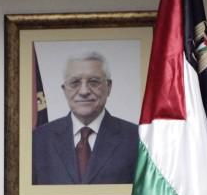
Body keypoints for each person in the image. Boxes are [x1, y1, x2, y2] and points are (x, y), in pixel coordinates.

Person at [32, 51, 138, 185]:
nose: (84, 91)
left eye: (94, 82)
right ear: (64, 90)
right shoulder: (38, 140)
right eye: (75, 83)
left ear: (109, 87)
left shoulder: (136, 139)